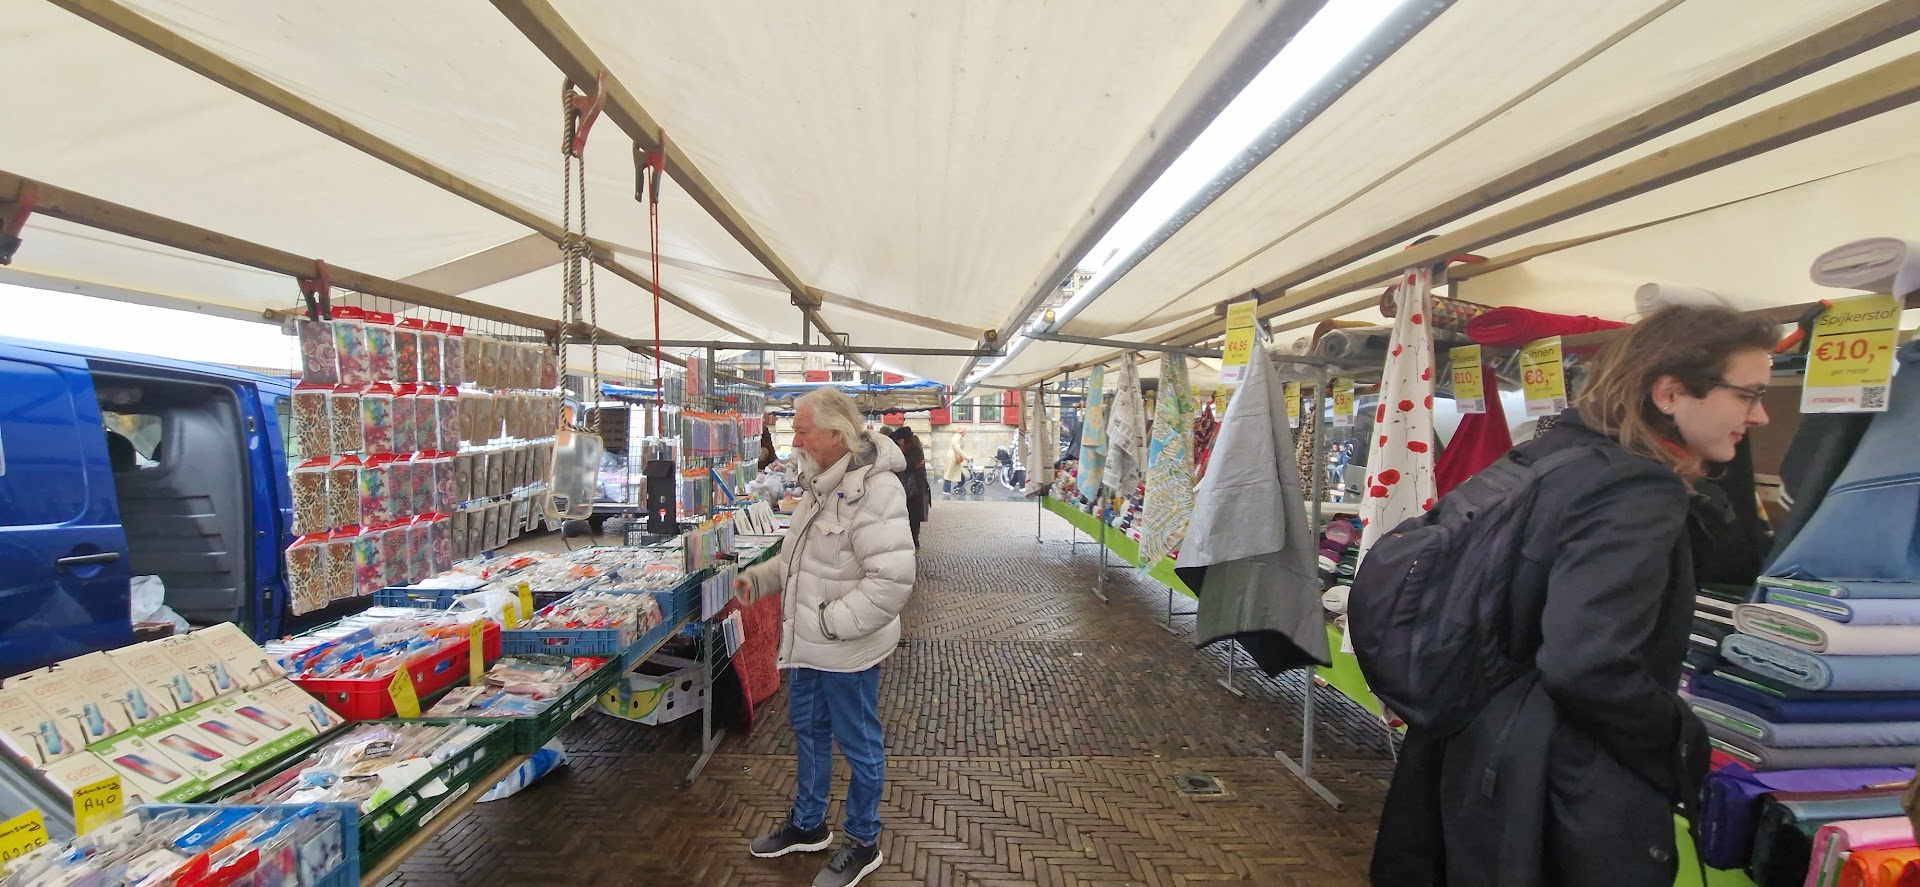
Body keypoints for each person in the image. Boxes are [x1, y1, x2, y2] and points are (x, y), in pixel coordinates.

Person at [1370, 304, 1777, 887]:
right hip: (1559, 780)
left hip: (1480, 748)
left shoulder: (1554, 455)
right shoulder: (1635, 489)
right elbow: (1587, 662)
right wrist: (1680, 740)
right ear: (1669, 393)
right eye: (1747, 395)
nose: (1760, 415)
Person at [734, 387, 914, 887]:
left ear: (835, 434)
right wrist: (760, 580)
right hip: (810, 646)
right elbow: (797, 560)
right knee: (809, 730)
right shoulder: (820, 484)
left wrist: (834, 623)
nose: (794, 439)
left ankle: (863, 840)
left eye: (801, 430)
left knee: (859, 743)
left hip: (846, 649)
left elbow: (893, 581)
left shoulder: (877, 491)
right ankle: (808, 824)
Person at [885, 427, 932, 548]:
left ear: (904, 440)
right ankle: (909, 540)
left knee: (914, 517)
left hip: (915, 489)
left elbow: (904, 465)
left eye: (899, 441)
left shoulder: (914, 450)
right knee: (907, 516)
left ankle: (913, 541)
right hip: (909, 489)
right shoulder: (908, 448)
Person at [940, 427, 968, 496]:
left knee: (958, 473)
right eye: (965, 431)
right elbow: (957, 448)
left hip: (955, 456)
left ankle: (959, 486)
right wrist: (966, 456)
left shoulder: (958, 437)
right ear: (962, 432)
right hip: (953, 457)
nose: (966, 433)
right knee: (949, 473)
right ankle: (946, 490)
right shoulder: (957, 438)